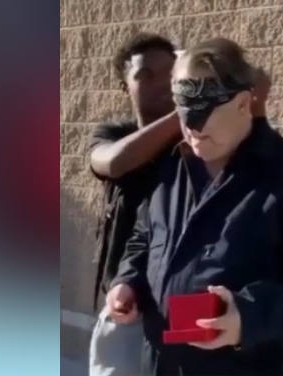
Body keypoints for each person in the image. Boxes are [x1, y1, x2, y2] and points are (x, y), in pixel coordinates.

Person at [108, 37, 283, 376]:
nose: (192, 127)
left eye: (205, 110)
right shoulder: (172, 166)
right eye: (184, 110)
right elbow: (144, 235)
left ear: (241, 104)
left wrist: (248, 316)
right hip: (160, 362)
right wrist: (128, 280)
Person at [87, 33, 181, 376]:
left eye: (171, 73)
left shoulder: (198, 142)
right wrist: (180, 114)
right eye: (145, 75)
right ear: (125, 86)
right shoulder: (112, 136)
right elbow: (112, 163)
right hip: (125, 305)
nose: (163, 84)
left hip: (177, 308)